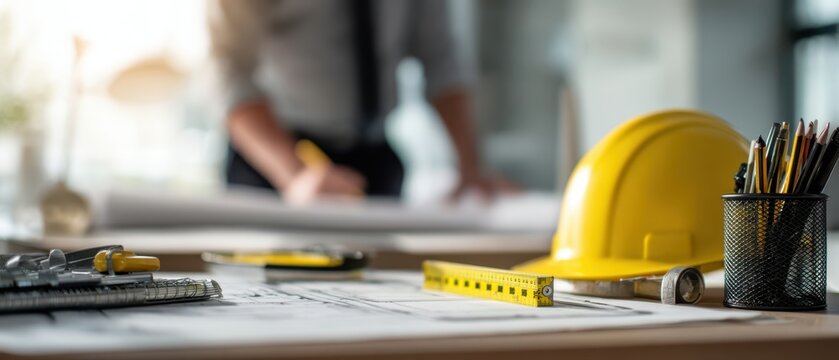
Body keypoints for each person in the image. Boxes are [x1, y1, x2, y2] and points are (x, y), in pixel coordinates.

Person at [209, 0, 502, 203]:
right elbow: (228, 68)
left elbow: (441, 60)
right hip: (276, 159)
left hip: (374, 158)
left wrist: (471, 170)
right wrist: (294, 175)